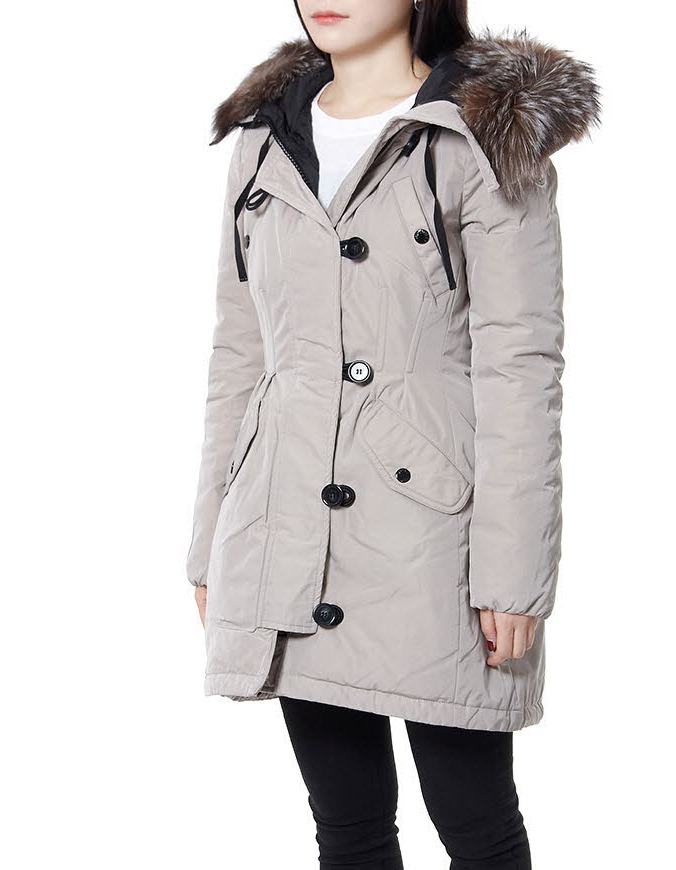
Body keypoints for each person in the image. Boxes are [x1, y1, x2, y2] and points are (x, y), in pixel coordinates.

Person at [187, 1, 599, 866]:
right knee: (346, 827)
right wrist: (212, 544)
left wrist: (514, 575)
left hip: (433, 540)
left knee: (476, 826)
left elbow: (521, 368)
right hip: (287, 529)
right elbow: (240, 354)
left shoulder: (482, 136)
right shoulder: (265, 140)